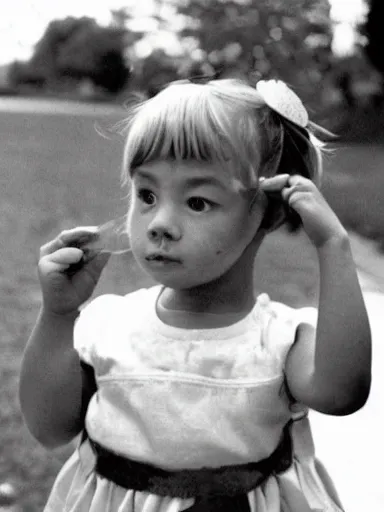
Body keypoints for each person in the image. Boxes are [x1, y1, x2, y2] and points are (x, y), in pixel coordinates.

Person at [19, 78, 372, 512]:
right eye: (147, 194)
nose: (159, 222)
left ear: (271, 211)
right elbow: (49, 427)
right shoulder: (107, 324)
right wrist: (57, 315)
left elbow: (342, 394)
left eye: (198, 202)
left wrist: (333, 246)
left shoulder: (278, 342)